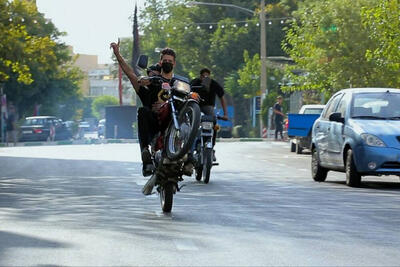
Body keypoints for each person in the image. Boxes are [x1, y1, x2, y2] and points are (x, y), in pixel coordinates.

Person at [110, 41, 184, 179]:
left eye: (170, 60)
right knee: (143, 111)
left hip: (173, 123)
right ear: (160, 62)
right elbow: (131, 74)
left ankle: (191, 154)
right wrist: (118, 54)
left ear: (174, 64)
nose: (167, 62)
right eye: (165, 60)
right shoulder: (149, 85)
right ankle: (145, 154)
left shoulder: (179, 84)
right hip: (155, 124)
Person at [190, 68, 228, 160]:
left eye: (207, 76)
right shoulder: (195, 82)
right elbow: (187, 91)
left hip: (208, 107)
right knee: (190, 124)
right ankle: (189, 150)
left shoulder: (214, 84)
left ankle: (211, 148)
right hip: (196, 106)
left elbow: (222, 97)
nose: (205, 78)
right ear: (200, 76)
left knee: (214, 122)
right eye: (203, 76)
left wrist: (225, 114)